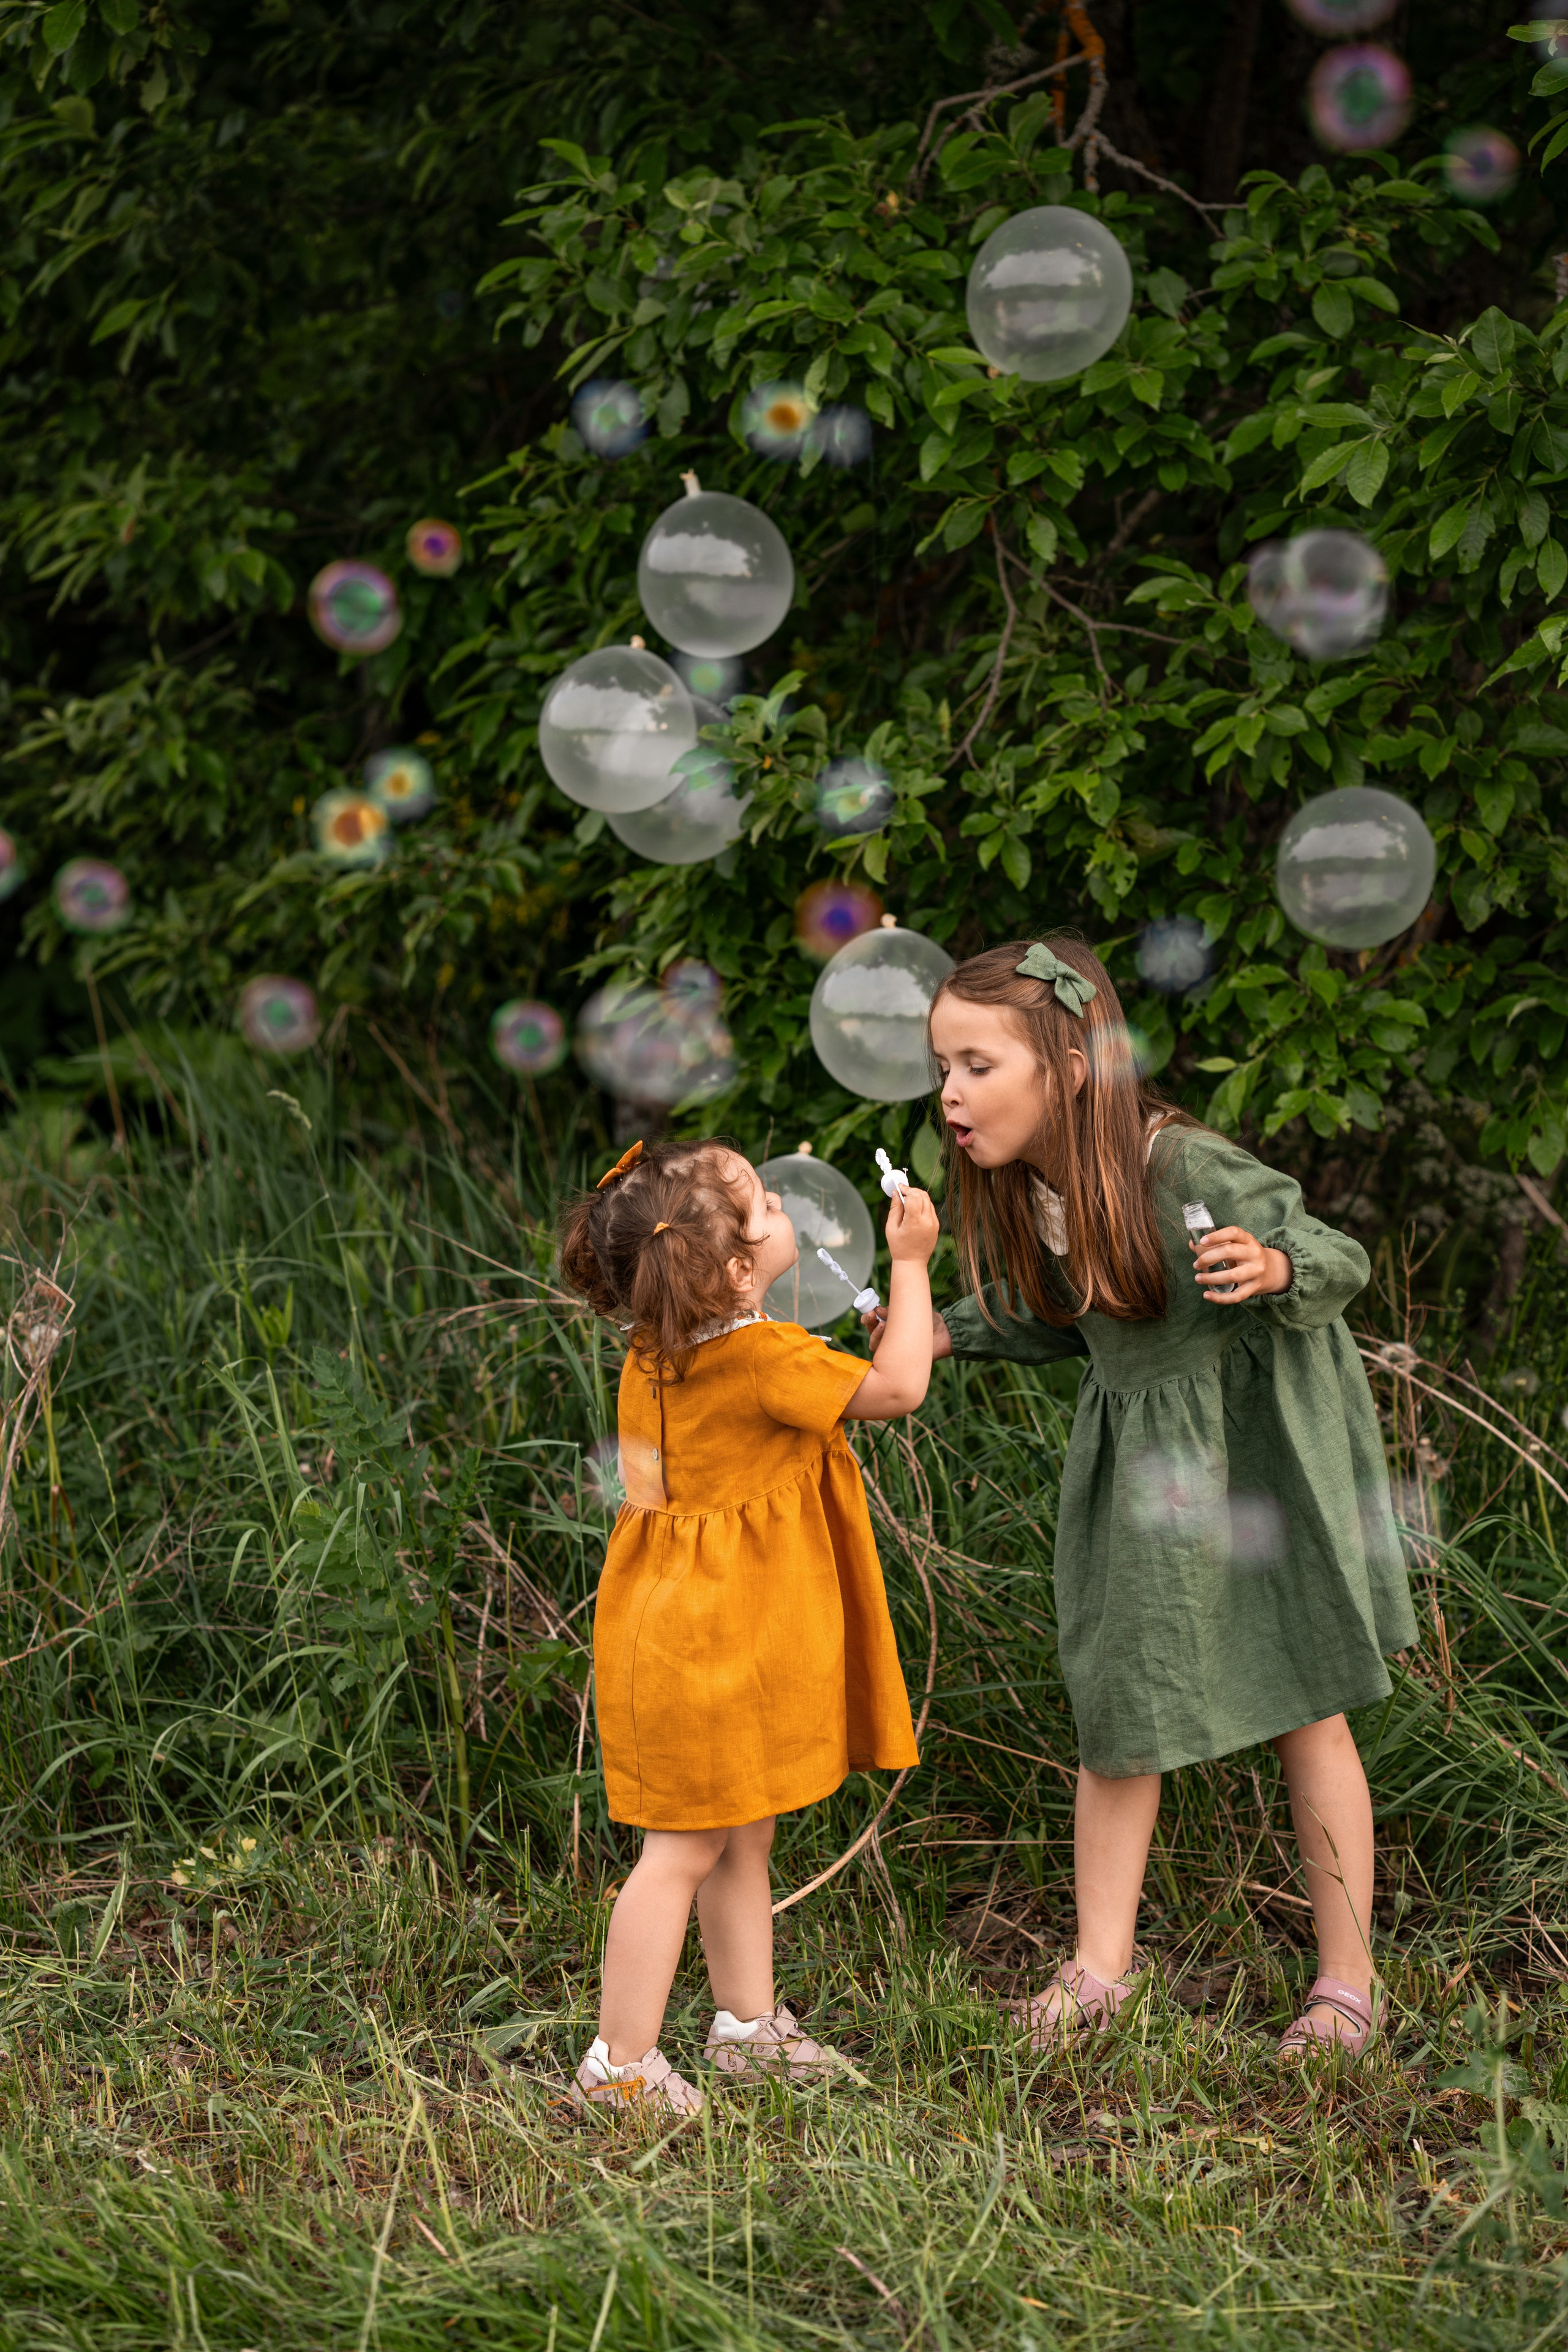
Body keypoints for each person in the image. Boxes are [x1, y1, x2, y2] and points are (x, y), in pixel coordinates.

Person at [878, 936, 1415, 2060]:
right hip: (1152, 1469)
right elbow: (1058, 1315)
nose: (951, 1093)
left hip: (1261, 1455)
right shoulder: (1037, 1190)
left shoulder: (1185, 1168)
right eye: (942, 1068)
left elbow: (1333, 1253)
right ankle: (1100, 1969)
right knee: (1121, 1700)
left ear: (1070, 1068)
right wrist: (935, 1331)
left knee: (1306, 1697)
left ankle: (1347, 1985)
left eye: (977, 1064)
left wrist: (1273, 1269)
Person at [557, 1135, 941, 2117]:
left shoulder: (657, 1350)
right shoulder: (766, 1357)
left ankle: (745, 2028)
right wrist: (909, 1264)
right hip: (710, 1641)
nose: (783, 1204)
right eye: (767, 1206)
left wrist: (736, 1209)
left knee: (740, 1838)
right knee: (682, 1850)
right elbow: (897, 1389)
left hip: (670, 1621)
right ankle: (621, 2066)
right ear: (730, 1270)